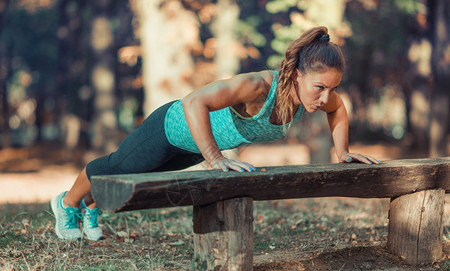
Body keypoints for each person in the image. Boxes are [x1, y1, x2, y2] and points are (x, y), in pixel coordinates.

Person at [51, 26, 379, 240]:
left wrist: (343, 151)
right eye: (319, 87)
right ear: (295, 75)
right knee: (119, 168)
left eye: (332, 88)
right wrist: (215, 157)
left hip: (194, 147)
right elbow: (195, 101)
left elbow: (338, 108)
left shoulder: (319, 95)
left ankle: (89, 205)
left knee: (140, 173)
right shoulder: (257, 86)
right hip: (169, 129)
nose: (325, 98)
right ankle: (66, 203)